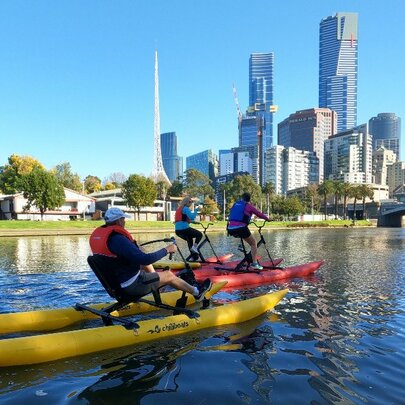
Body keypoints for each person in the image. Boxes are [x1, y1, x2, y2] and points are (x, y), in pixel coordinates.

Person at [89, 207, 212, 302]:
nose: (124, 221)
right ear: (119, 221)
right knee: (168, 275)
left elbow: (128, 257)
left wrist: (137, 250)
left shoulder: (105, 238)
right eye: (123, 219)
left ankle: (158, 284)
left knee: (143, 262)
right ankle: (197, 293)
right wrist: (167, 249)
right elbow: (146, 259)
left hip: (116, 285)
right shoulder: (118, 239)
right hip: (131, 287)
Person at [227, 192, 270, 270]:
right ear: (249, 199)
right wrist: (267, 219)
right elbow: (259, 214)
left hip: (230, 228)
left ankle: (241, 245)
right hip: (240, 228)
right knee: (253, 244)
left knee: (244, 234)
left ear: (242, 198)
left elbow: (235, 216)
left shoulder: (235, 204)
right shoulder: (248, 206)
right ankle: (254, 263)